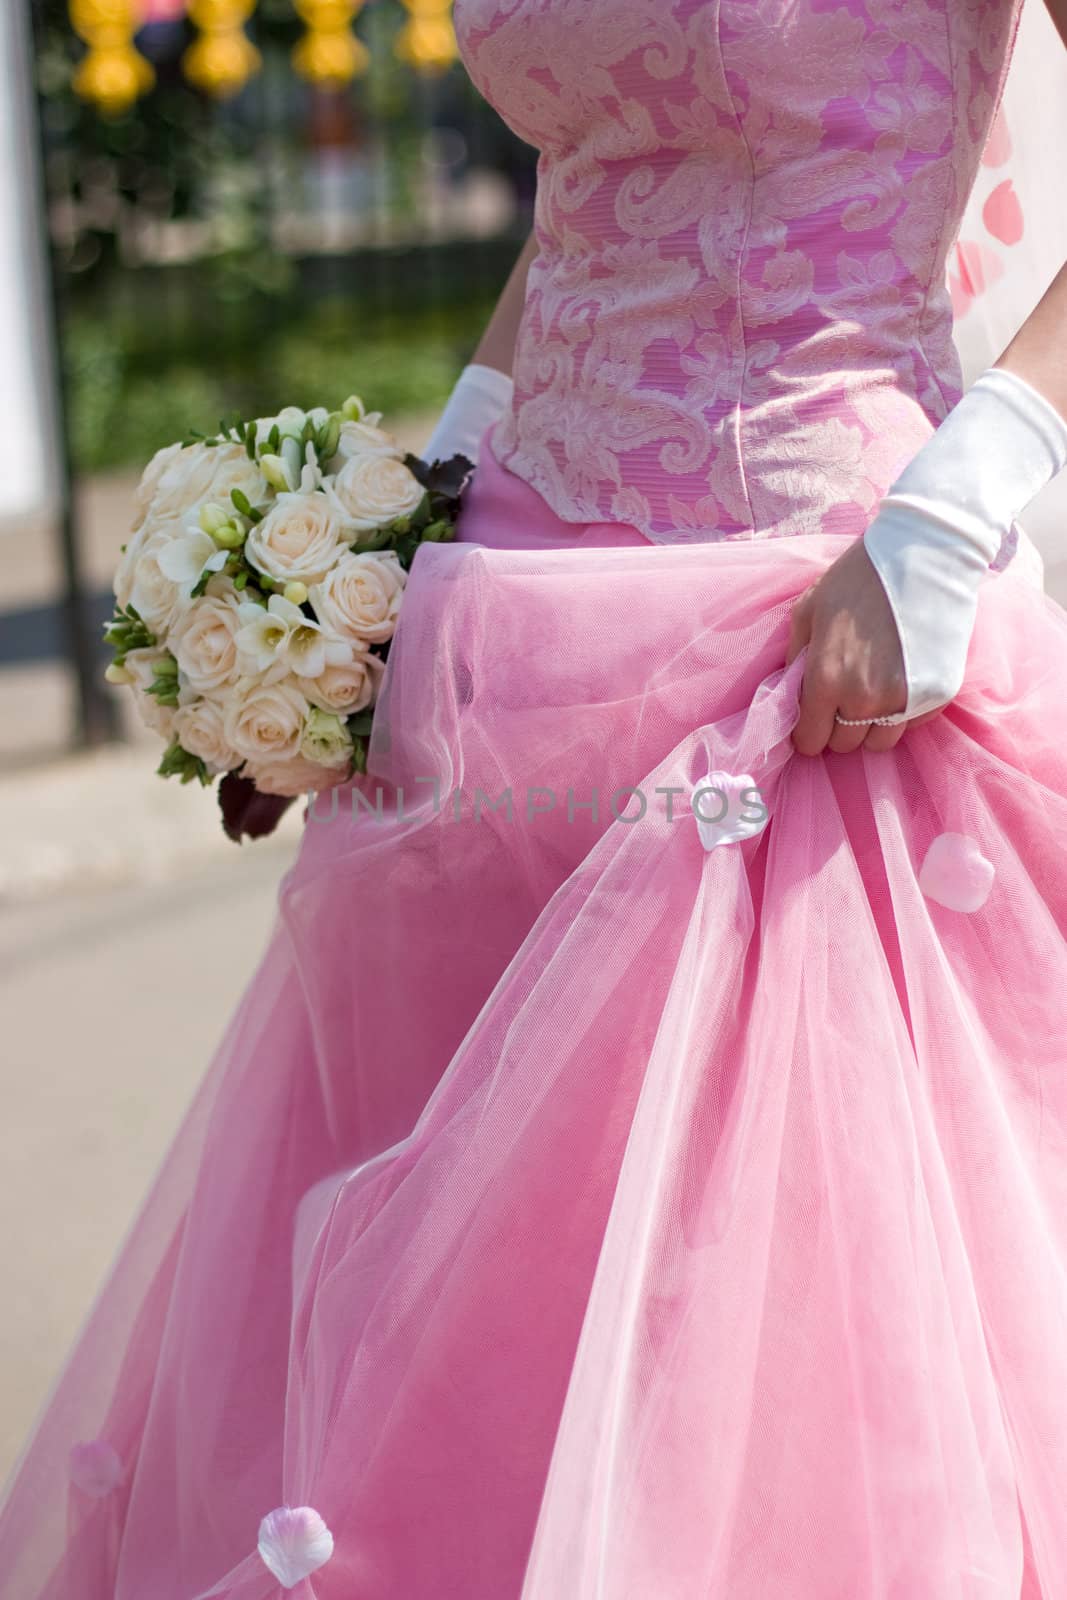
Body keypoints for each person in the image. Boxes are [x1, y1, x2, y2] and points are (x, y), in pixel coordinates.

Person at [4, 0, 1067, 1594]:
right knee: (477, 1331)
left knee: (770, 1345)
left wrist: (971, 492)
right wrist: (407, 528)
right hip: (512, 630)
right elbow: (594, 181)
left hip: (824, 633)